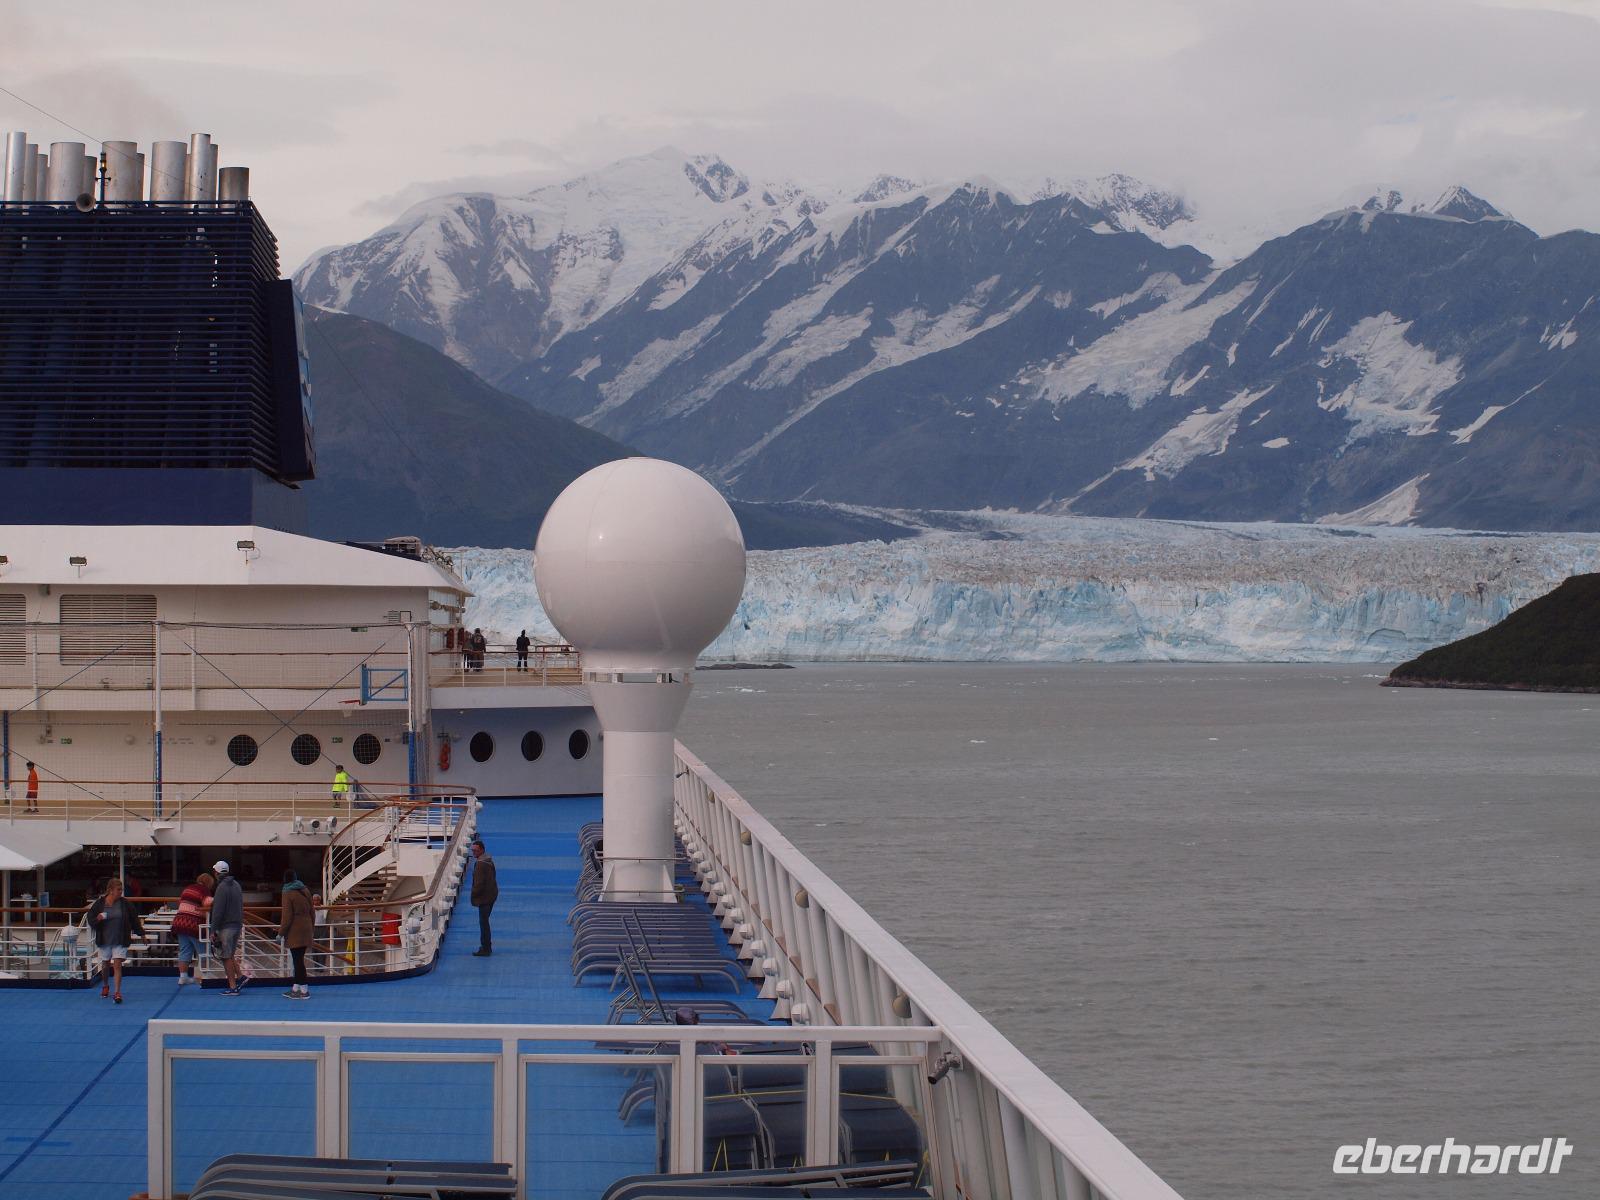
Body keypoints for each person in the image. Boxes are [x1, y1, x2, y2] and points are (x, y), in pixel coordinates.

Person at [87, 877, 143, 1003]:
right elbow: (91, 919)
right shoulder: (100, 904)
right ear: (111, 890)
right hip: (105, 939)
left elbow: (134, 919)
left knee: (117, 964)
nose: (121, 892)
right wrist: (98, 919)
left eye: (121, 889)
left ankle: (117, 992)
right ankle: (106, 985)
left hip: (120, 939)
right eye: (118, 889)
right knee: (105, 965)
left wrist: (141, 934)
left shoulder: (125, 904)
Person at [171, 871, 214, 988]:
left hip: (180, 922)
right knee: (204, 950)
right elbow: (208, 902)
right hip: (193, 924)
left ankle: (183, 977)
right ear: (208, 883)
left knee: (185, 950)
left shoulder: (187, 888)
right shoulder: (204, 890)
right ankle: (206, 976)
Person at [278, 869, 316, 1000]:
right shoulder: (304, 889)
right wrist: (312, 927)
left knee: (297, 961)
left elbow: (287, 916)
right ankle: (296, 987)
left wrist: (280, 933)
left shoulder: (287, 892)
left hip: (295, 930)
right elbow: (312, 911)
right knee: (299, 959)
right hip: (306, 927)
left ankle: (304, 990)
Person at [210, 859, 247, 995]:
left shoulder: (221, 887)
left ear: (216, 872)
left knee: (226, 957)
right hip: (237, 924)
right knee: (230, 954)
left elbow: (218, 911)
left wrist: (213, 930)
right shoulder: (236, 885)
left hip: (226, 927)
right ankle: (241, 977)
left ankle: (233, 987)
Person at [470, 837, 497, 956]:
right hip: (491, 895)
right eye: (472, 850)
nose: (473, 852)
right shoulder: (489, 860)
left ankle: (485, 948)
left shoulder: (480, 864)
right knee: (485, 922)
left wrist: (474, 895)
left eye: (475, 850)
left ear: (482, 850)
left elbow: (479, 883)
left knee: (484, 923)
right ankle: (487, 946)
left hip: (485, 898)